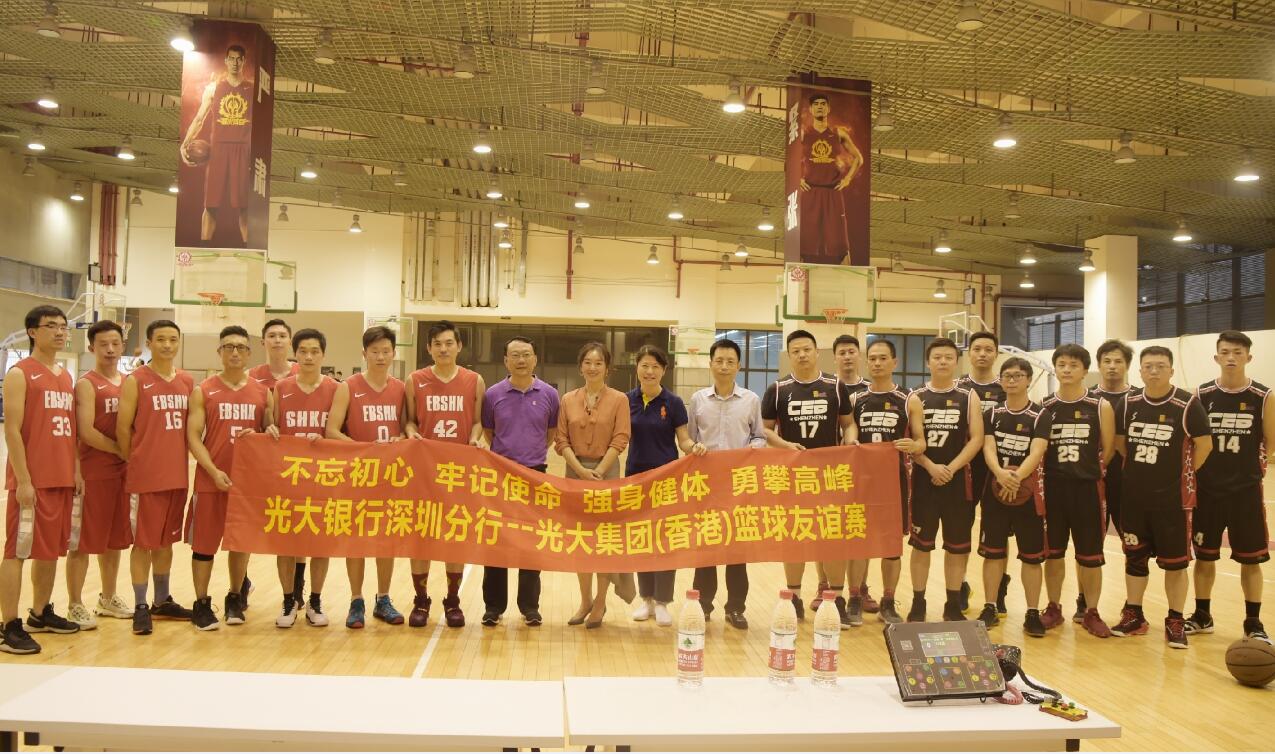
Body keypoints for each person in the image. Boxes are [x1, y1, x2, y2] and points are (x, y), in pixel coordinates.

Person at [1112, 346, 1211, 649]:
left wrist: (1182, 474)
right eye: (1148, 366)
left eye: (1160, 366)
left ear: (1171, 370)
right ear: (1140, 370)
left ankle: (1175, 619)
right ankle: (1134, 614)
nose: (1154, 371)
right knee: (1134, 559)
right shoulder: (1128, 403)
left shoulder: (1187, 404)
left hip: (1173, 502)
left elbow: (1204, 446)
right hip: (1135, 498)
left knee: (1176, 564)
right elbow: (1120, 444)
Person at [0, 306, 80, 654]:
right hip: (33, 481)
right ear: (33, 332)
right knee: (17, 552)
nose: (60, 332)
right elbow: (12, 431)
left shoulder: (65, 376)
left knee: (49, 552)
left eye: (63, 327)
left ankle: (40, 613)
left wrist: (75, 470)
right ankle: (8, 625)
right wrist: (23, 480)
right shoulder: (20, 373)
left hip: (61, 478)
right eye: (51, 326)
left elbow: (70, 430)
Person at [762, 330, 852, 623]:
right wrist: (786, 445)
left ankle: (836, 599)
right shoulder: (778, 389)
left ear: (816, 352)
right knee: (796, 536)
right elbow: (764, 430)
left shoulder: (835, 386)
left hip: (831, 475)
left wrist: (851, 440)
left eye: (807, 349)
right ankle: (794, 598)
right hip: (793, 476)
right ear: (789, 355)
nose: (802, 355)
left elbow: (849, 424)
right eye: (796, 351)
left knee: (832, 538)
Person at [185, 325, 271, 630]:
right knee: (204, 546)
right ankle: (201, 603)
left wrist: (265, 434)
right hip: (211, 480)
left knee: (240, 543)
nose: (235, 352)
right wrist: (212, 470)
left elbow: (270, 434)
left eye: (241, 347)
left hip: (246, 484)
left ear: (249, 353)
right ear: (219, 352)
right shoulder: (204, 390)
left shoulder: (263, 392)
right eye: (229, 347)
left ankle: (235, 596)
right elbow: (193, 436)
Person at [404, 321, 487, 629]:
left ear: (459, 346)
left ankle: (452, 600)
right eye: (437, 343)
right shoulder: (415, 380)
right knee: (421, 537)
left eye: (449, 343)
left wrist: (476, 438)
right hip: (424, 471)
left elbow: (477, 421)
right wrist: (411, 434)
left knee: (455, 536)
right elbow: (409, 421)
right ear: (429, 348)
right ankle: (420, 600)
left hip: (458, 471)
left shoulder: (474, 380)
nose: (443, 349)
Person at [1190, 331, 1271, 643]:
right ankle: (1202, 615)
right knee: (1204, 557)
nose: (1231, 357)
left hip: (1245, 492)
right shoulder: (1201, 394)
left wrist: (1254, 469)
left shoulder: (1263, 396)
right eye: (1225, 352)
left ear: (1249, 357)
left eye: (1237, 352)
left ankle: (1253, 622)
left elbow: (1271, 442)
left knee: (1251, 560)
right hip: (1208, 490)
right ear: (1216, 357)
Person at [117, 319, 195, 635]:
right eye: (160, 339)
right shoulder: (136, 380)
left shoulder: (187, 381)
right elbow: (123, 428)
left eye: (172, 339)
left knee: (166, 542)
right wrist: (136, 460)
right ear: (149, 343)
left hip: (177, 475)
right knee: (143, 544)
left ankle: (161, 600)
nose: (167, 345)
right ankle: (140, 605)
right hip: (146, 477)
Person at [326, 326, 407, 629]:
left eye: (386, 351)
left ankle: (383, 598)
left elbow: (408, 427)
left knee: (386, 540)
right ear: (364, 353)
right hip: (358, 475)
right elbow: (332, 430)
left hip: (390, 476)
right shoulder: (348, 386)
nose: (381, 356)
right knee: (356, 540)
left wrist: (400, 440)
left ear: (394, 353)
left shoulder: (401, 388)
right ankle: (356, 599)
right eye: (375, 351)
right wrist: (361, 450)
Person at [687, 338, 766, 630]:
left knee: (736, 548)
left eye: (730, 361)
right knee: (706, 546)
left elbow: (759, 435)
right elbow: (689, 439)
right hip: (706, 485)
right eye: (719, 361)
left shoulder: (751, 400)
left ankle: (735, 608)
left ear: (738, 366)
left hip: (739, 485)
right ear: (710, 364)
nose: (724, 366)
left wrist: (753, 449)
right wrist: (694, 448)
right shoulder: (697, 399)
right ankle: (703, 605)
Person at [481, 336, 559, 627]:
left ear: (535, 359)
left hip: (535, 475)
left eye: (526, 354)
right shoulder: (492, 394)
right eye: (515, 355)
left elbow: (550, 434)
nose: (521, 360)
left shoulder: (550, 394)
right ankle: (493, 607)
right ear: (506, 361)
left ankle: (529, 607)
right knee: (496, 541)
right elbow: (489, 433)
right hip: (500, 475)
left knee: (531, 542)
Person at [1039, 344, 1116, 638]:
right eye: (1061, 364)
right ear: (1055, 369)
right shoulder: (1045, 406)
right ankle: (1053, 607)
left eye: (1073, 365)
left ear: (1085, 370)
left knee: (1091, 556)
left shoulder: (1100, 406)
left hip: (1087, 490)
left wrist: (1087, 470)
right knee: (1053, 554)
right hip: (1053, 489)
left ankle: (1091, 611)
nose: (1067, 370)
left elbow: (1108, 450)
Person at [846, 338, 925, 624]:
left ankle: (888, 601)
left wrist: (913, 446)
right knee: (859, 542)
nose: (877, 363)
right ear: (867, 362)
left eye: (883, 358)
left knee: (891, 545)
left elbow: (921, 442)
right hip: (862, 481)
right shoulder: (856, 399)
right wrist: (851, 440)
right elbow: (850, 431)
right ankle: (855, 597)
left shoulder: (909, 399)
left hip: (895, 483)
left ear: (894, 362)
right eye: (873, 358)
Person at [555, 341, 631, 629]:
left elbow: (621, 437)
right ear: (580, 367)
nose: (592, 367)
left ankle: (600, 602)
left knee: (603, 542)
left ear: (607, 368)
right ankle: (584, 600)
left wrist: (598, 471)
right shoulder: (567, 399)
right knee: (580, 541)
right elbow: (561, 439)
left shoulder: (619, 400)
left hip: (607, 473)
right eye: (587, 362)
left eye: (598, 363)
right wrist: (580, 471)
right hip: (574, 474)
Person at [908, 337, 984, 623]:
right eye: (937, 357)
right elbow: (911, 441)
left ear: (956, 362)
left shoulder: (968, 396)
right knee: (921, 546)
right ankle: (918, 602)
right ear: (928, 362)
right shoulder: (915, 396)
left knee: (957, 548)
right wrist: (931, 467)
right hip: (924, 481)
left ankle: (953, 605)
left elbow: (976, 438)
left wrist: (949, 469)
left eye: (948, 357)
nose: (942, 361)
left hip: (958, 482)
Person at [628, 345, 704, 626]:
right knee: (642, 539)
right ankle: (646, 599)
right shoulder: (626, 400)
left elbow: (683, 439)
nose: (649, 371)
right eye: (645, 366)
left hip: (667, 481)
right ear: (637, 368)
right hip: (635, 480)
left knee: (665, 540)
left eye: (655, 367)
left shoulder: (673, 402)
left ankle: (662, 602)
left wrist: (694, 447)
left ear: (664, 370)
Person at [66, 320, 134, 629]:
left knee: (114, 540)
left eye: (115, 343)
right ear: (91, 347)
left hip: (124, 472)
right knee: (83, 542)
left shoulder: (129, 382)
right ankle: (75, 604)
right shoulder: (86, 383)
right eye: (103, 344)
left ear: (122, 346)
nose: (109, 349)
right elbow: (86, 431)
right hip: (94, 471)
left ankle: (108, 597)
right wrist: (121, 449)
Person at [268, 327, 336, 628]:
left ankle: (315, 600)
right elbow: (272, 427)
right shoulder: (281, 388)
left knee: (320, 544)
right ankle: (288, 600)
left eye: (314, 352)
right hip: (289, 476)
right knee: (286, 542)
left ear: (323, 355)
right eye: (303, 352)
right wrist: (266, 430)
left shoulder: (335, 388)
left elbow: (339, 431)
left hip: (323, 477)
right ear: (295, 354)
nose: (309, 357)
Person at [977, 357, 1050, 636]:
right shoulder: (992, 414)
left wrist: (1016, 477)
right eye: (1007, 375)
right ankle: (990, 606)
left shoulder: (1040, 415)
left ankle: (1032, 612)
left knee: (1031, 558)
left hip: (1028, 495)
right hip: (995, 492)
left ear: (1028, 379)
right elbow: (989, 448)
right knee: (993, 553)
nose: (1012, 380)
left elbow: (1037, 451)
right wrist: (1000, 474)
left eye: (1018, 375)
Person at [814, 334, 876, 615]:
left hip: (862, 473)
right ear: (834, 357)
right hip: (827, 473)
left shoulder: (870, 390)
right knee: (824, 530)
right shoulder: (826, 387)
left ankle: (859, 588)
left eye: (852, 351)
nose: (847, 356)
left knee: (859, 530)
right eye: (842, 352)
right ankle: (824, 584)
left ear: (859, 355)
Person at [1081, 339, 1140, 622]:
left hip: (1129, 485)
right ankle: (1084, 601)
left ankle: (1133, 606)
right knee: (1089, 546)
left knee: (1134, 546)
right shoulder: (1088, 398)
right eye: (1107, 361)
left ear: (1127, 365)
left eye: (1118, 361)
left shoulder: (1139, 398)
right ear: (1099, 365)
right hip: (1092, 483)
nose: (1113, 366)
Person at [180, 44, 254, 244]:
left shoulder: (252, 89)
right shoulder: (213, 88)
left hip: (242, 148)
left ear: (243, 61)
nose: (235, 62)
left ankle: (248, 247)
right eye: (232, 58)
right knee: (211, 204)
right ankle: (204, 245)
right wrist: (185, 143)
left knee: (243, 206)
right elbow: (199, 118)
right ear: (226, 61)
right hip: (219, 149)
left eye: (239, 59)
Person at [956, 331, 1006, 613]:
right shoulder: (959, 388)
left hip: (998, 470)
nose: (983, 354)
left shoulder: (1006, 388)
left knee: (998, 532)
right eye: (977, 349)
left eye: (988, 349)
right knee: (961, 529)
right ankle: (960, 584)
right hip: (965, 468)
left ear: (996, 353)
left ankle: (998, 590)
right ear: (969, 353)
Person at [798, 94, 864, 264]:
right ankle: (797, 277)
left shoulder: (838, 133)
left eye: (823, 104)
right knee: (804, 240)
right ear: (811, 109)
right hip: (811, 190)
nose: (820, 106)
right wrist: (797, 178)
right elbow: (789, 159)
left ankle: (848, 275)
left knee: (840, 241)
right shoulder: (803, 133)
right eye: (816, 104)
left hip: (832, 191)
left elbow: (858, 158)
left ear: (828, 108)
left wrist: (847, 179)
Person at [249, 319, 300, 389]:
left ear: (290, 342)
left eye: (282, 336)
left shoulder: (304, 372)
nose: (277, 340)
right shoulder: (251, 376)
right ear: (263, 342)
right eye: (272, 336)